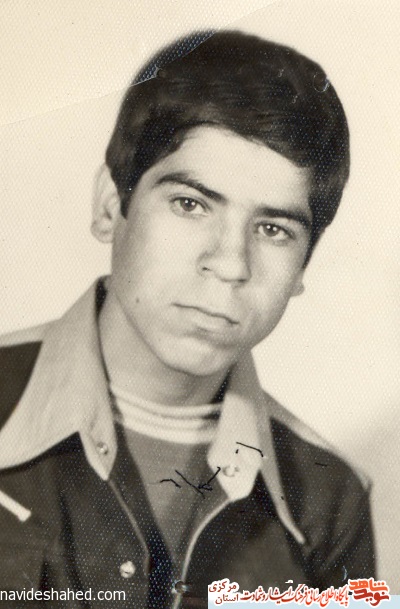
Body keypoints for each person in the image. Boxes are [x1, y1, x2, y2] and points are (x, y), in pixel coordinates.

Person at [0, 30, 375, 608]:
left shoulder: (329, 501)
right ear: (110, 205)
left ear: (304, 265)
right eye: (191, 204)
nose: (230, 264)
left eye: (273, 229)